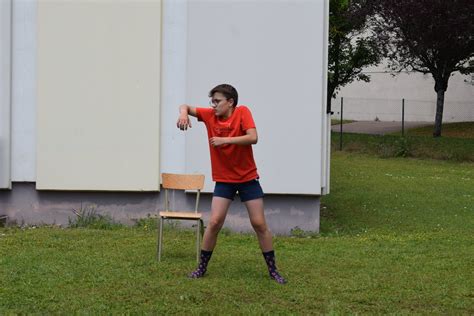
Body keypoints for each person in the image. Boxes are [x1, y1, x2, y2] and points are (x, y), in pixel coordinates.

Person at [176, 84, 286, 284]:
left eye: (217, 101)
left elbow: (253, 137)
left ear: (230, 102)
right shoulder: (210, 116)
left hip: (248, 179)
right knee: (215, 222)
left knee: (259, 224)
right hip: (224, 180)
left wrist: (226, 140)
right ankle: (201, 268)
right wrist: (184, 114)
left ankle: (273, 271)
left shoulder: (242, 112)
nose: (214, 105)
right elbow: (185, 106)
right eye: (213, 101)